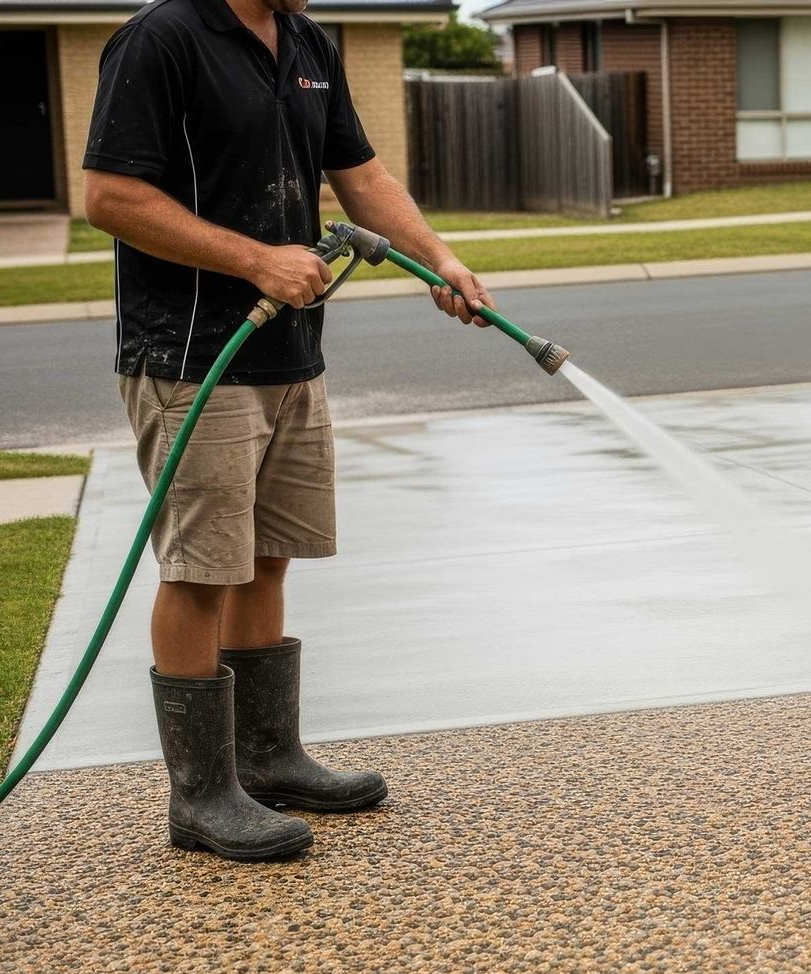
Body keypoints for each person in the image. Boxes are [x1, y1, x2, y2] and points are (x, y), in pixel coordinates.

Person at [83, 0, 494, 861]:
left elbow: (363, 176)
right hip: (192, 355)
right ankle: (201, 797)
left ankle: (267, 759)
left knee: (268, 555)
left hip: (290, 354)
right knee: (202, 570)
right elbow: (112, 197)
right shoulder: (162, 40)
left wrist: (440, 258)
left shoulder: (308, 42)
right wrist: (255, 258)